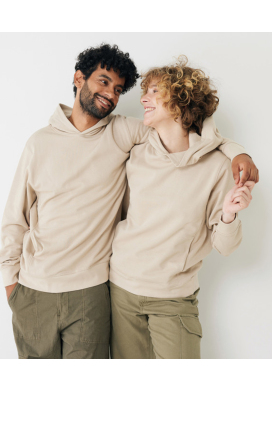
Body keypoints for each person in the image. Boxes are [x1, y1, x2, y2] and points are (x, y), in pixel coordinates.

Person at [0, 44, 258, 359]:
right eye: (104, 81)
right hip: (59, 288)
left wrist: (238, 155)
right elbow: (15, 217)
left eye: (120, 89)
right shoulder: (49, 143)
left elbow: (193, 136)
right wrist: (11, 283)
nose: (113, 94)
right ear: (79, 79)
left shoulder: (127, 135)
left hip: (111, 292)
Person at [109, 56, 255, 359]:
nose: (143, 98)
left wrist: (229, 215)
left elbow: (226, 247)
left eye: (154, 91)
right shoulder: (135, 152)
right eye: (145, 91)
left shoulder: (218, 166)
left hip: (173, 298)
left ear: (181, 99)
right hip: (121, 289)